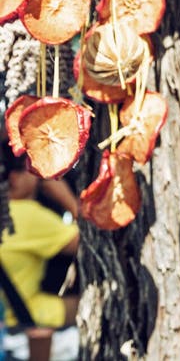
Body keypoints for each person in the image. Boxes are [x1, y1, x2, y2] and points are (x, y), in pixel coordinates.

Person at [0, 139, 79, 360]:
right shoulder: (25, 215)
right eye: (33, 168)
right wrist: (66, 198)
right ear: (14, 178)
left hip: (12, 327)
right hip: (37, 325)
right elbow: (84, 244)